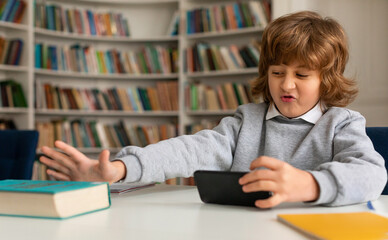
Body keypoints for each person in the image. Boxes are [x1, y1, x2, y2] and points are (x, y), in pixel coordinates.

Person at [40, 11, 387, 209]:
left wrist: (309, 184)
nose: (287, 85)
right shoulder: (246, 121)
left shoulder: (341, 123)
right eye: (277, 72)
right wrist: (120, 168)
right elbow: (190, 149)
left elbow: (373, 175)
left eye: (302, 74)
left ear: (326, 79)